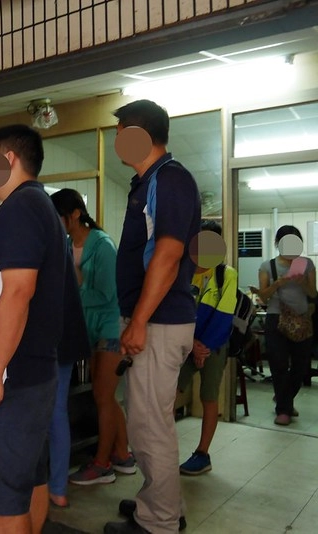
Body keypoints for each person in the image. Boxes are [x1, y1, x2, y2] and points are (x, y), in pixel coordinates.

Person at [0, 124, 70, 534]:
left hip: (10, 380)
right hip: (28, 375)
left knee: (6, 499)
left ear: (7, 159)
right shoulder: (34, 205)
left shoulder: (22, 207)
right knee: (27, 480)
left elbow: (18, 292)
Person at [106, 99, 201, 534]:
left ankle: (159, 523)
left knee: (149, 425)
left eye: (122, 131)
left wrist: (140, 320)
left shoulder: (171, 179)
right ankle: (161, 504)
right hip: (154, 319)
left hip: (160, 322)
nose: (116, 141)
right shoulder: (148, 182)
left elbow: (168, 254)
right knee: (149, 420)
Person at [50, 189, 134, 490]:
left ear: (74, 214)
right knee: (106, 396)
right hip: (88, 329)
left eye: (59, 216)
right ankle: (123, 454)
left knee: (102, 395)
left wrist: (75, 286)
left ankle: (102, 464)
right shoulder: (68, 243)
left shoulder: (103, 245)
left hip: (111, 329)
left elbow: (107, 294)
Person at [177, 220, 238, 475]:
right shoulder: (183, 270)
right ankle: (160, 448)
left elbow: (224, 316)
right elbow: (177, 310)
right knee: (168, 393)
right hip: (183, 343)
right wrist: (191, 344)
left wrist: (203, 348)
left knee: (209, 397)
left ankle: (202, 453)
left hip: (213, 346)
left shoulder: (227, 275)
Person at [250, 225, 317, 426]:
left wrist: (303, 282)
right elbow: (263, 296)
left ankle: (284, 399)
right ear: (278, 243)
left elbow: (313, 294)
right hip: (275, 319)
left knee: (301, 367)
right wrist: (277, 284)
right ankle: (284, 409)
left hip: (302, 321)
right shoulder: (267, 266)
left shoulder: (307, 264)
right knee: (278, 365)